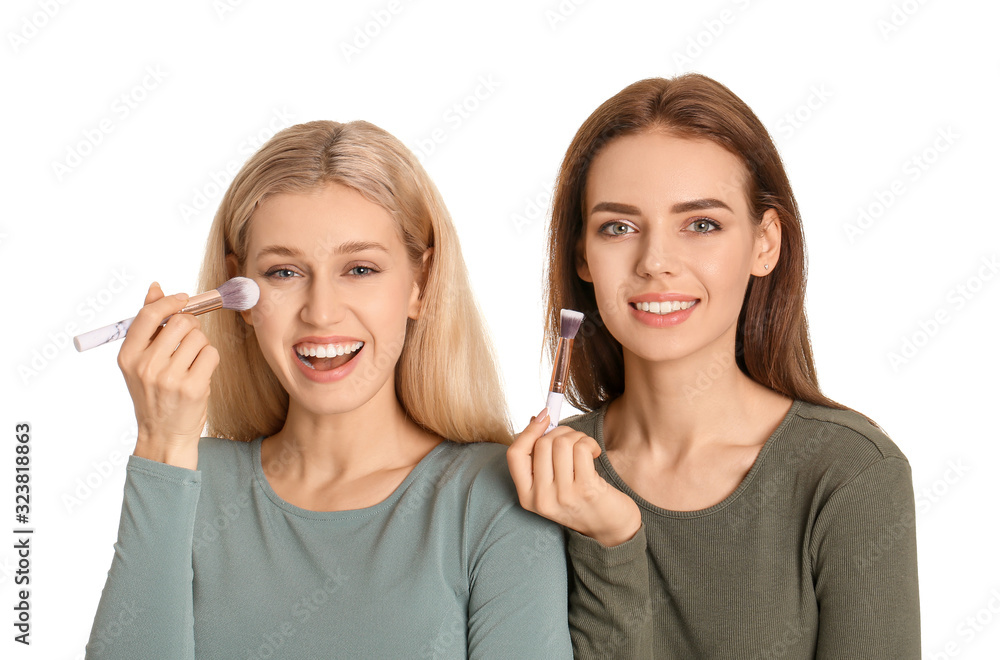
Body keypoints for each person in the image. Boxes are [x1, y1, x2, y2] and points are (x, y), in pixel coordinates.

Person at [86, 120, 571, 659]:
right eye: (283, 273)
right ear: (235, 292)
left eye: (359, 269)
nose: (320, 312)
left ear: (421, 284)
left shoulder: (494, 497)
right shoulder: (186, 480)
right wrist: (162, 445)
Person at [508, 75, 920, 658]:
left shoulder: (849, 472)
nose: (655, 263)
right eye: (618, 227)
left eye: (701, 224)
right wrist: (610, 542)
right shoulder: (541, 484)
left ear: (765, 243)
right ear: (582, 254)